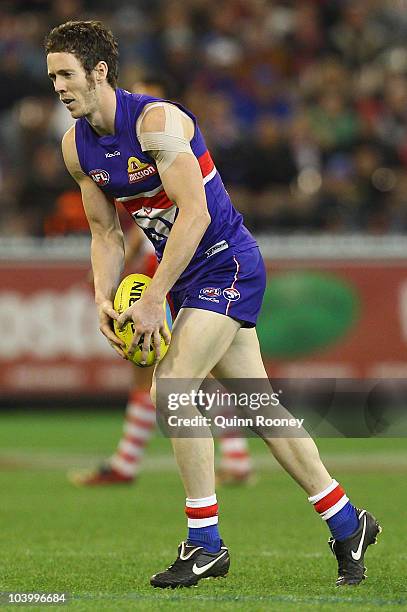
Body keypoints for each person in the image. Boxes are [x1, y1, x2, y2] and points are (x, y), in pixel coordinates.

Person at [45, 20, 381, 589]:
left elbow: (195, 216)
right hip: (184, 278)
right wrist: (102, 296)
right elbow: (104, 234)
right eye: (52, 75)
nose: (56, 85)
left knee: (171, 389)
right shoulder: (76, 146)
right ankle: (348, 521)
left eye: (65, 74)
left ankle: (205, 542)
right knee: (258, 407)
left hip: (226, 263)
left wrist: (151, 296)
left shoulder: (158, 122)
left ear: (99, 72)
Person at [69, 77, 253, 487]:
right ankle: (233, 459)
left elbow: (185, 209)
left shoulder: (160, 128)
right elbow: (128, 221)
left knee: (169, 375)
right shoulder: (103, 146)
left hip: (186, 263)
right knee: (186, 375)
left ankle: (131, 464)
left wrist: (143, 280)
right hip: (169, 266)